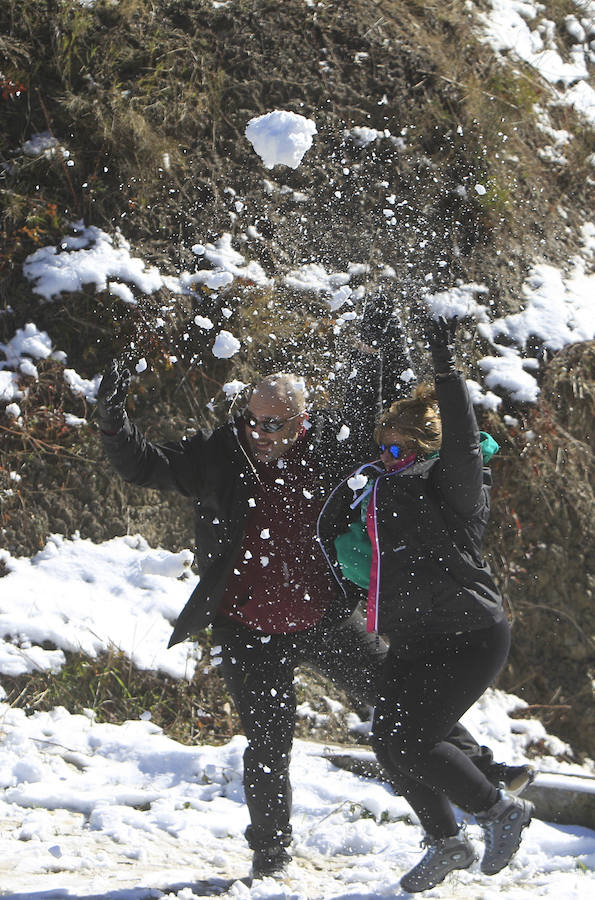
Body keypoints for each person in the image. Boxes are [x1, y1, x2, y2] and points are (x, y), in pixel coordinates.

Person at [96, 301, 530, 881]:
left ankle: (482, 774)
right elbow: (140, 465)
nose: (260, 433)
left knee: (401, 706)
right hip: (250, 628)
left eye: (274, 423)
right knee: (268, 749)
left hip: (326, 618)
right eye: (251, 420)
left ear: (301, 420)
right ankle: (271, 856)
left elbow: (402, 426)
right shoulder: (220, 453)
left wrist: (394, 342)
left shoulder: (333, 450)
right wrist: (111, 413)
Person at [317, 316, 534, 892]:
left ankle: (499, 810)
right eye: (381, 446)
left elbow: (461, 437)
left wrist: (445, 368)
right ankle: (446, 842)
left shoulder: (454, 485)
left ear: (425, 450)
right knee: (389, 742)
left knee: (414, 738)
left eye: (397, 448)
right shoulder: (384, 485)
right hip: (415, 635)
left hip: (468, 634)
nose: (386, 456)